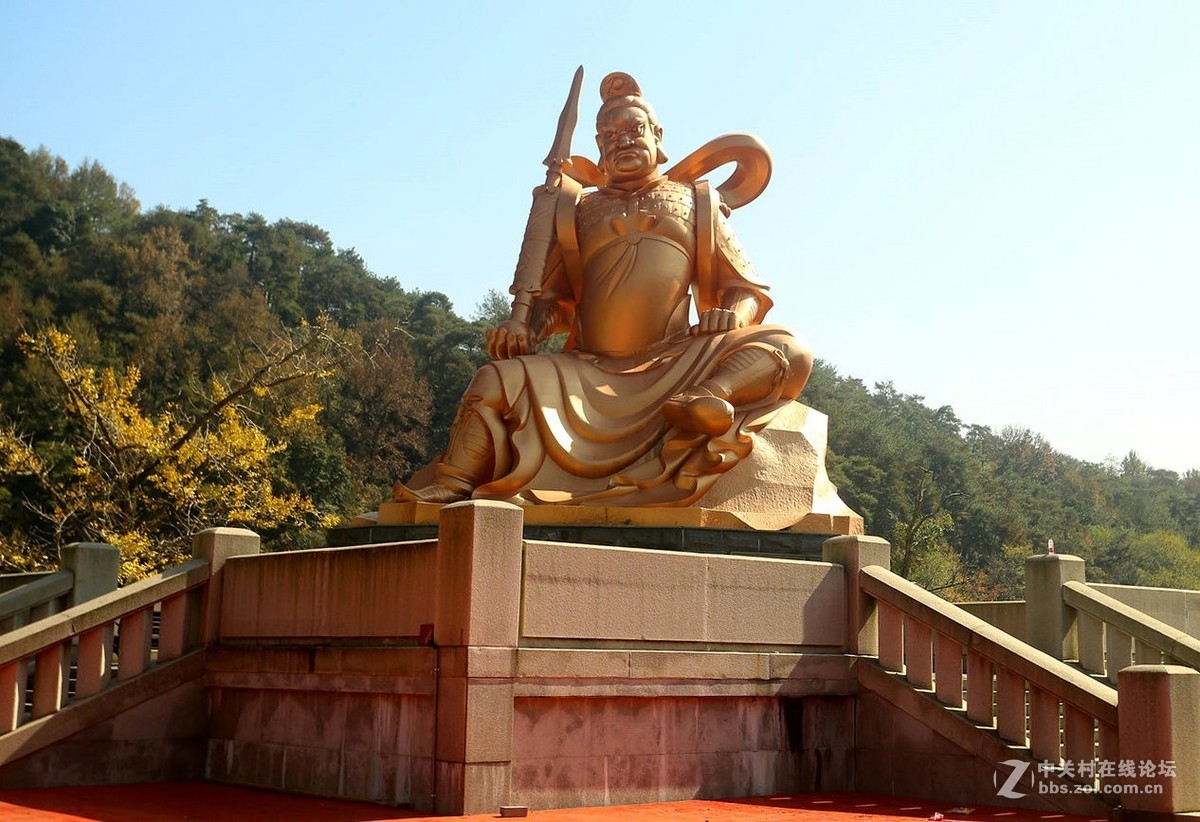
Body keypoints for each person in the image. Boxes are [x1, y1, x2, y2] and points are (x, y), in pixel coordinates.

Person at [395, 72, 812, 506]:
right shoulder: (578, 210)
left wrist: (733, 315)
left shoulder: (695, 201)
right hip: (589, 369)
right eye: (609, 136)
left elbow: (746, 288)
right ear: (598, 146)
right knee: (494, 378)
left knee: (790, 347)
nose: (622, 142)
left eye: (633, 130)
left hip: (676, 363)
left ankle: (710, 397)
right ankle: (456, 482)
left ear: (657, 135)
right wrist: (526, 328)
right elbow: (556, 303)